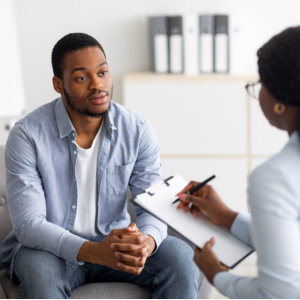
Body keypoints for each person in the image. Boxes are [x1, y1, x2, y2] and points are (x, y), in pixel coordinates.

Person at [0, 33, 200, 298]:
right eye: (82, 77)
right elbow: (29, 225)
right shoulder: (27, 135)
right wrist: (94, 251)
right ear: (58, 84)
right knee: (40, 271)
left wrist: (146, 242)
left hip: (114, 244)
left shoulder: (137, 130)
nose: (98, 85)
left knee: (180, 255)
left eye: (103, 72)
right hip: (49, 250)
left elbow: (153, 205)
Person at [177, 26, 300, 298]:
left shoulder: (275, 177)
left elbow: (278, 294)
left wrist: (217, 275)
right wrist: (226, 217)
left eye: (260, 84)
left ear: (279, 102)